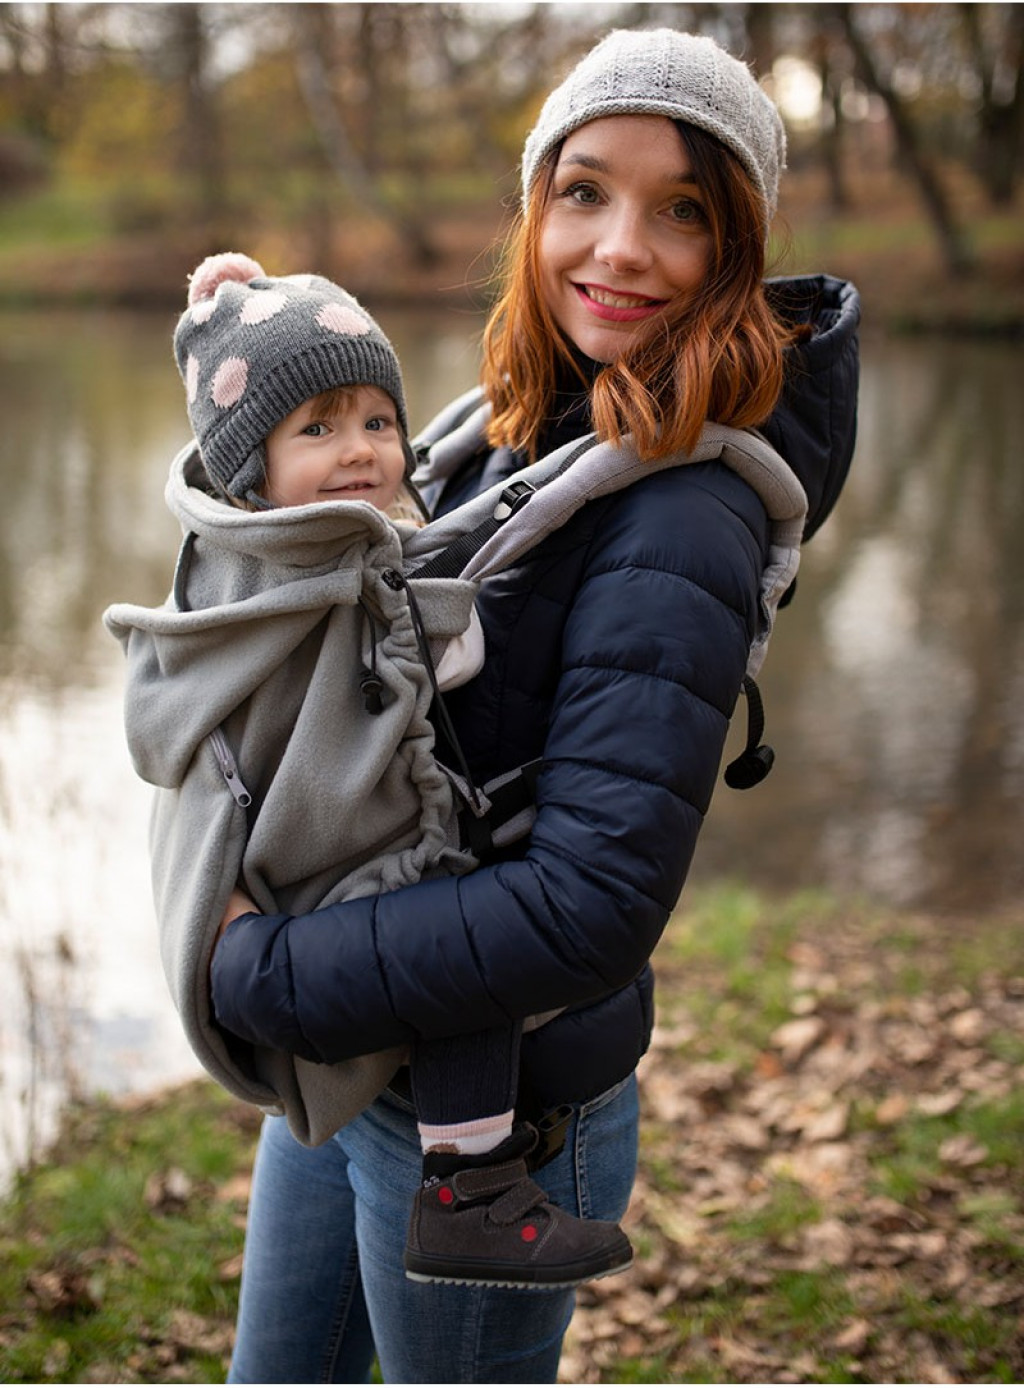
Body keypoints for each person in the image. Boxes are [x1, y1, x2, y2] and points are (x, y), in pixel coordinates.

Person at [206, 26, 860, 1385]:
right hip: (357, 1063)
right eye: (584, 192)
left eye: (682, 210)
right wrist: (243, 341)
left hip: (487, 1122)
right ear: (533, 212)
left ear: (733, 253)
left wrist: (262, 976)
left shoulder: (687, 508)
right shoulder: (508, 432)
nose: (620, 246)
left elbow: (588, 907)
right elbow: (325, 552)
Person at [106, 251, 633, 1291]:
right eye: (318, 428)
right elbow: (443, 653)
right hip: (339, 861)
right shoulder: (330, 557)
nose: (359, 453)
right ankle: (469, 1180)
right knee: (468, 934)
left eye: (376, 423)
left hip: (304, 888)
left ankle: (461, 1174)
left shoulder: (240, 546)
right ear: (249, 462)